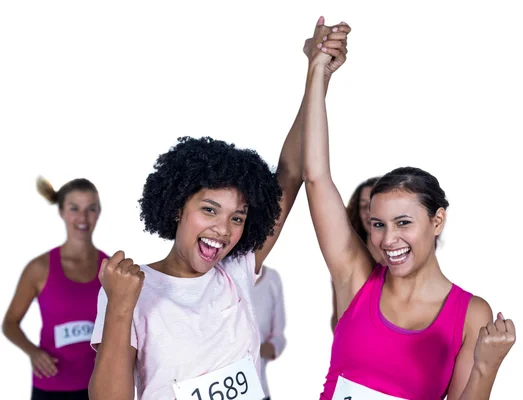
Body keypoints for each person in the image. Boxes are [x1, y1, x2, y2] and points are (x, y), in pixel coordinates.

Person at [88, 18, 351, 400]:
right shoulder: (131, 287)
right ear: (178, 206)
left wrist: (318, 74)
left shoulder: (237, 269)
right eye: (209, 210)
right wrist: (120, 306)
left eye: (237, 217)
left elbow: (290, 173)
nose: (224, 229)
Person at [302, 23, 516, 399]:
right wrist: (318, 71)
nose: (388, 239)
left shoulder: (471, 314)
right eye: (378, 225)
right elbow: (316, 176)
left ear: (437, 221)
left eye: (403, 223)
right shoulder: (355, 280)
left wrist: (486, 366)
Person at [2, 177, 108, 400]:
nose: (83, 217)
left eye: (91, 209)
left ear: (99, 212)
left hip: (99, 386)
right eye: (74, 208)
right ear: (61, 212)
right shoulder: (39, 268)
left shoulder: (110, 268)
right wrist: (33, 352)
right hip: (51, 388)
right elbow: (10, 323)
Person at [331, 177, 380, 332]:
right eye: (364, 206)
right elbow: (338, 317)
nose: (369, 213)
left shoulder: (406, 259)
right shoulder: (347, 259)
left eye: (375, 205)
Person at [254, 266, 286, 400]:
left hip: (259, 390)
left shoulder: (272, 279)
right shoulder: (220, 276)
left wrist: (258, 350)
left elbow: (279, 338)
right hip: (220, 389)